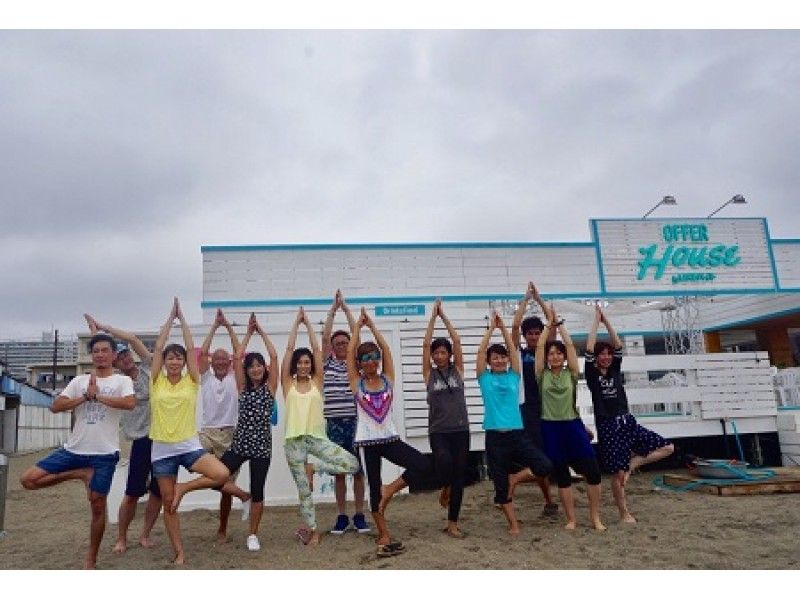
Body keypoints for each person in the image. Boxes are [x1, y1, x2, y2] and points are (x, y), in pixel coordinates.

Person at [20, 332, 136, 569]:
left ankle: (90, 560)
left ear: (114, 355)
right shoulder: (78, 381)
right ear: (91, 355)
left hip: (105, 453)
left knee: (97, 505)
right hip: (74, 449)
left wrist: (99, 396)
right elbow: (56, 406)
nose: (100, 355)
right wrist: (84, 397)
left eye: (105, 351)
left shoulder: (122, 381)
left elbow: (129, 404)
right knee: (28, 479)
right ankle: (79, 474)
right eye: (96, 351)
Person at [149, 297, 247, 565]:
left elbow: (198, 351)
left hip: (193, 443)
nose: (173, 361)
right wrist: (173, 318)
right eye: (170, 357)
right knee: (169, 503)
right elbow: (162, 348)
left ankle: (187, 489)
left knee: (222, 474)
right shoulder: (156, 382)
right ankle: (179, 551)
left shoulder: (193, 381)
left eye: (178, 358)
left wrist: (205, 325)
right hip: (162, 448)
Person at [347, 307, 431, 557]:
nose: (371, 361)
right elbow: (351, 352)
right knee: (373, 486)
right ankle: (383, 533)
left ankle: (391, 489)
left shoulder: (388, 379)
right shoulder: (357, 382)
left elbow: (388, 350)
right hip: (367, 443)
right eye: (366, 358)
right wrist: (357, 330)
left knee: (421, 465)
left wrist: (372, 327)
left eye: (374, 356)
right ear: (360, 364)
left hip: (390, 438)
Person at [585, 305, 674, 523]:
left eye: (607, 354)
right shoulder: (592, 374)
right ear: (596, 358)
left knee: (667, 447)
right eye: (601, 355)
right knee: (618, 474)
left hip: (627, 422)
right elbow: (588, 348)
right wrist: (596, 322)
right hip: (608, 426)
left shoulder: (615, 370)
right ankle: (624, 513)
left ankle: (633, 464)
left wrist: (607, 322)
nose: (606, 357)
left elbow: (618, 345)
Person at [84, 314, 162, 554]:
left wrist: (105, 328)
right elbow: (97, 366)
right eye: (120, 357)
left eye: (127, 354)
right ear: (115, 362)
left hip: (161, 437)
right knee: (132, 493)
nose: (126, 359)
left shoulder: (149, 368)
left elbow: (132, 338)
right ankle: (121, 537)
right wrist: (95, 336)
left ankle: (145, 534)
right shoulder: (115, 382)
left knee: (158, 492)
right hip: (138, 440)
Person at [282, 306, 360, 547]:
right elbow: (288, 350)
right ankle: (313, 530)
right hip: (294, 442)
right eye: (300, 362)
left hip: (316, 438)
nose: (304, 365)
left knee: (352, 464)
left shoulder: (318, 381)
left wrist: (309, 327)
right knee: (304, 492)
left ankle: (314, 468)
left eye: (307, 362)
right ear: (295, 365)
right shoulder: (288, 384)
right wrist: (298, 324)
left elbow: (319, 348)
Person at [476, 311, 553, 536]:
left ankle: (515, 478)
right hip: (495, 438)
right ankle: (514, 525)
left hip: (517, 435)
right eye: (495, 358)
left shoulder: (514, 376)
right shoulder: (485, 378)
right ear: (490, 362)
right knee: (500, 487)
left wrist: (504, 332)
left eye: (503, 357)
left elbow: (513, 349)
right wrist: (492, 329)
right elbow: (481, 352)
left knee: (544, 465)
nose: (500, 360)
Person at [535, 308, 606, 531]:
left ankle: (595, 517)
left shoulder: (571, 373)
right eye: (551, 354)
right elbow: (539, 347)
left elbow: (571, 347)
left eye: (558, 353)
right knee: (563, 476)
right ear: (546, 358)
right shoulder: (541, 375)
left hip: (572, 425)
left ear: (564, 357)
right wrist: (549, 326)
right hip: (550, 428)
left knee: (593, 472)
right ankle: (571, 519)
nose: (555, 356)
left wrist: (561, 325)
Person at [215, 313, 278, 551]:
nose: (254, 369)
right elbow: (238, 355)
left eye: (258, 365)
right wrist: (248, 333)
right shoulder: (241, 387)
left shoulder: (270, 388)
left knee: (259, 489)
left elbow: (273, 355)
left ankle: (252, 534)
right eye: (251, 366)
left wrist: (260, 331)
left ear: (264, 368)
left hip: (262, 446)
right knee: (216, 477)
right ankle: (243, 496)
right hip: (240, 443)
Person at [321, 289, 369, 534]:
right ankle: (342, 516)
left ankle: (360, 514)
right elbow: (325, 335)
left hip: (356, 423)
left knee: (358, 471)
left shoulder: (356, 365)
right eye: (337, 343)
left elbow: (358, 337)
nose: (341, 345)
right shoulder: (325, 363)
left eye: (345, 342)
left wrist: (348, 311)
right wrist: (333, 310)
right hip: (334, 423)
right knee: (339, 472)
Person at [508, 282, 559, 515]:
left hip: (550, 407)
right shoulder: (519, 353)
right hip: (528, 408)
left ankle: (547, 499)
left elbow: (553, 322)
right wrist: (526, 300)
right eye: (530, 333)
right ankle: (546, 498)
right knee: (541, 457)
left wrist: (539, 298)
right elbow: (515, 325)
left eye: (538, 333)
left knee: (550, 456)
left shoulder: (549, 351)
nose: (534, 336)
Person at [422, 298, 470, 538]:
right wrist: (433, 317)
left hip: (460, 430)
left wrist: (445, 317)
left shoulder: (457, 371)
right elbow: (425, 342)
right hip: (438, 430)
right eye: (436, 352)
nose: (440, 355)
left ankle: (453, 523)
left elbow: (458, 340)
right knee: (444, 463)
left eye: (444, 352)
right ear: (432, 355)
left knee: (460, 474)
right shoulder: (429, 374)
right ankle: (445, 486)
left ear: (449, 354)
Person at [198, 308, 244, 542]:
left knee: (225, 485)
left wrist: (228, 326)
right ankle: (245, 496)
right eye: (216, 359)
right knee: (197, 465)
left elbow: (238, 352)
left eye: (224, 359)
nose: (220, 361)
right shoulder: (205, 378)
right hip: (207, 433)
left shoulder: (234, 378)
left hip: (230, 433)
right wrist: (215, 327)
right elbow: (203, 352)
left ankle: (222, 529)